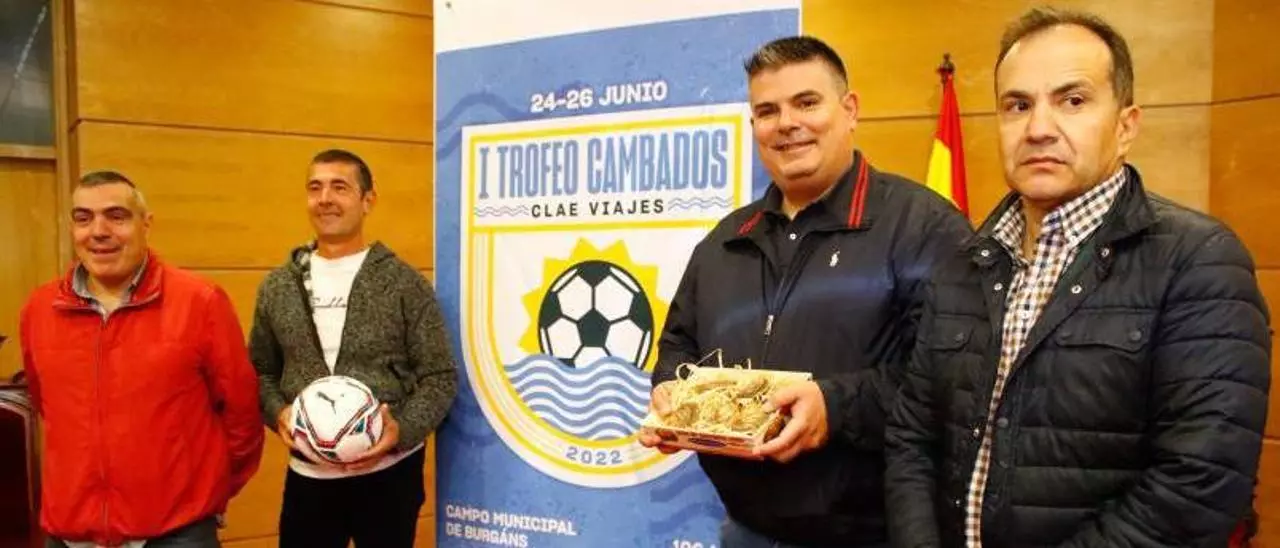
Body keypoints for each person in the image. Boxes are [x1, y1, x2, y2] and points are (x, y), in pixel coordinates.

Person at [885, 7, 1271, 547]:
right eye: (1018, 105)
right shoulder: (965, 261)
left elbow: (1198, 484)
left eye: (1072, 101)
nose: (1039, 128)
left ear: (1125, 126)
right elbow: (912, 437)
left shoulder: (1199, 261)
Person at [638, 36, 973, 547]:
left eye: (806, 103)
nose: (786, 123)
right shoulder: (725, 240)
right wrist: (672, 391)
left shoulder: (925, 228)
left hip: (873, 536)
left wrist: (834, 407)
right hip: (744, 531)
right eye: (767, 111)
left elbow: (954, 379)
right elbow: (679, 343)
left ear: (850, 109)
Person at [20, 171, 264, 547]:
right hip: (69, 535)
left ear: (145, 224)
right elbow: (45, 405)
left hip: (177, 534)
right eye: (83, 218)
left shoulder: (200, 302)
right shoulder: (40, 309)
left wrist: (202, 494)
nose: (98, 231)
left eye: (116, 216)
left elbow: (242, 415)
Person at [249, 149, 458, 548]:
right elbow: (260, 371)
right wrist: (277, 411)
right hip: (308, 480)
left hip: (390, 478)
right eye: (315, 187)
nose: (325, 198)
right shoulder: (278, 286)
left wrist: (401, 431)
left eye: (339, 187)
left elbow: (440, 376)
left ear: (367, 200)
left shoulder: (404, 284)